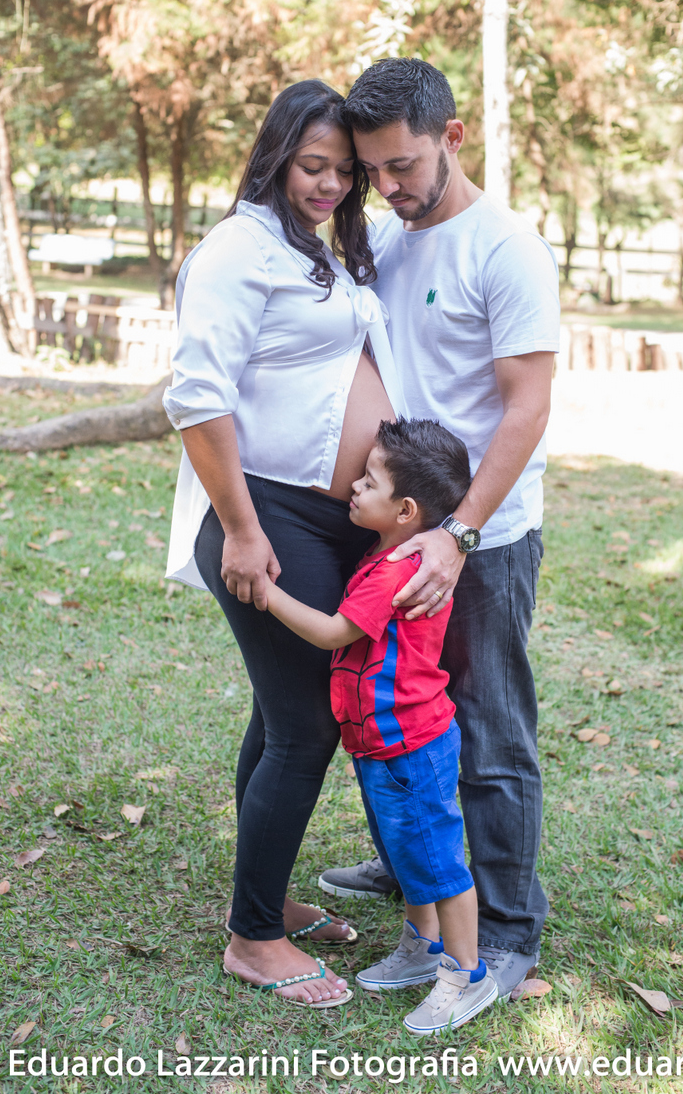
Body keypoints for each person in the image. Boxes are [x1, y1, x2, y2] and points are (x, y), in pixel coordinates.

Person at [318, 58, 560, 999]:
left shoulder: (506, 249)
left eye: (403, 165)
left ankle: (502, 931)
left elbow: (526, 407)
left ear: (451, 138)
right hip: (396, 533)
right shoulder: (386, 236)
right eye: (372, 168)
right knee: (395, 714)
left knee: (491, 733)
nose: (386, 185)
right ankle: (416, 870)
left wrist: (454, 535)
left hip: (481, 540)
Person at [162, 80, 407, 1008]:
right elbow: (196, 395)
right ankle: (253, 937)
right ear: (273, 155)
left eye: (345, 172)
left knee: (280, 717)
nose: (331, 185)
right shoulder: (235, 250)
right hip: (266, 513)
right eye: (313, 166)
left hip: (324, 520)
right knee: (306, 728)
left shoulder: (321, 248)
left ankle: (267, 898)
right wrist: (241, 529)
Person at [264, 417, 502, 1034]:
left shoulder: (396, 572)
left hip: (407, 744)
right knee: (409, 853)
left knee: (439, 864)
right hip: (384, 743)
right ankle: (423, 949)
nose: (354, 486)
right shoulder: (389, 550)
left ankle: (466, 976)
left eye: (368, 481)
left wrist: (264, 592)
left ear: (405, 509)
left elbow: (330, 632)